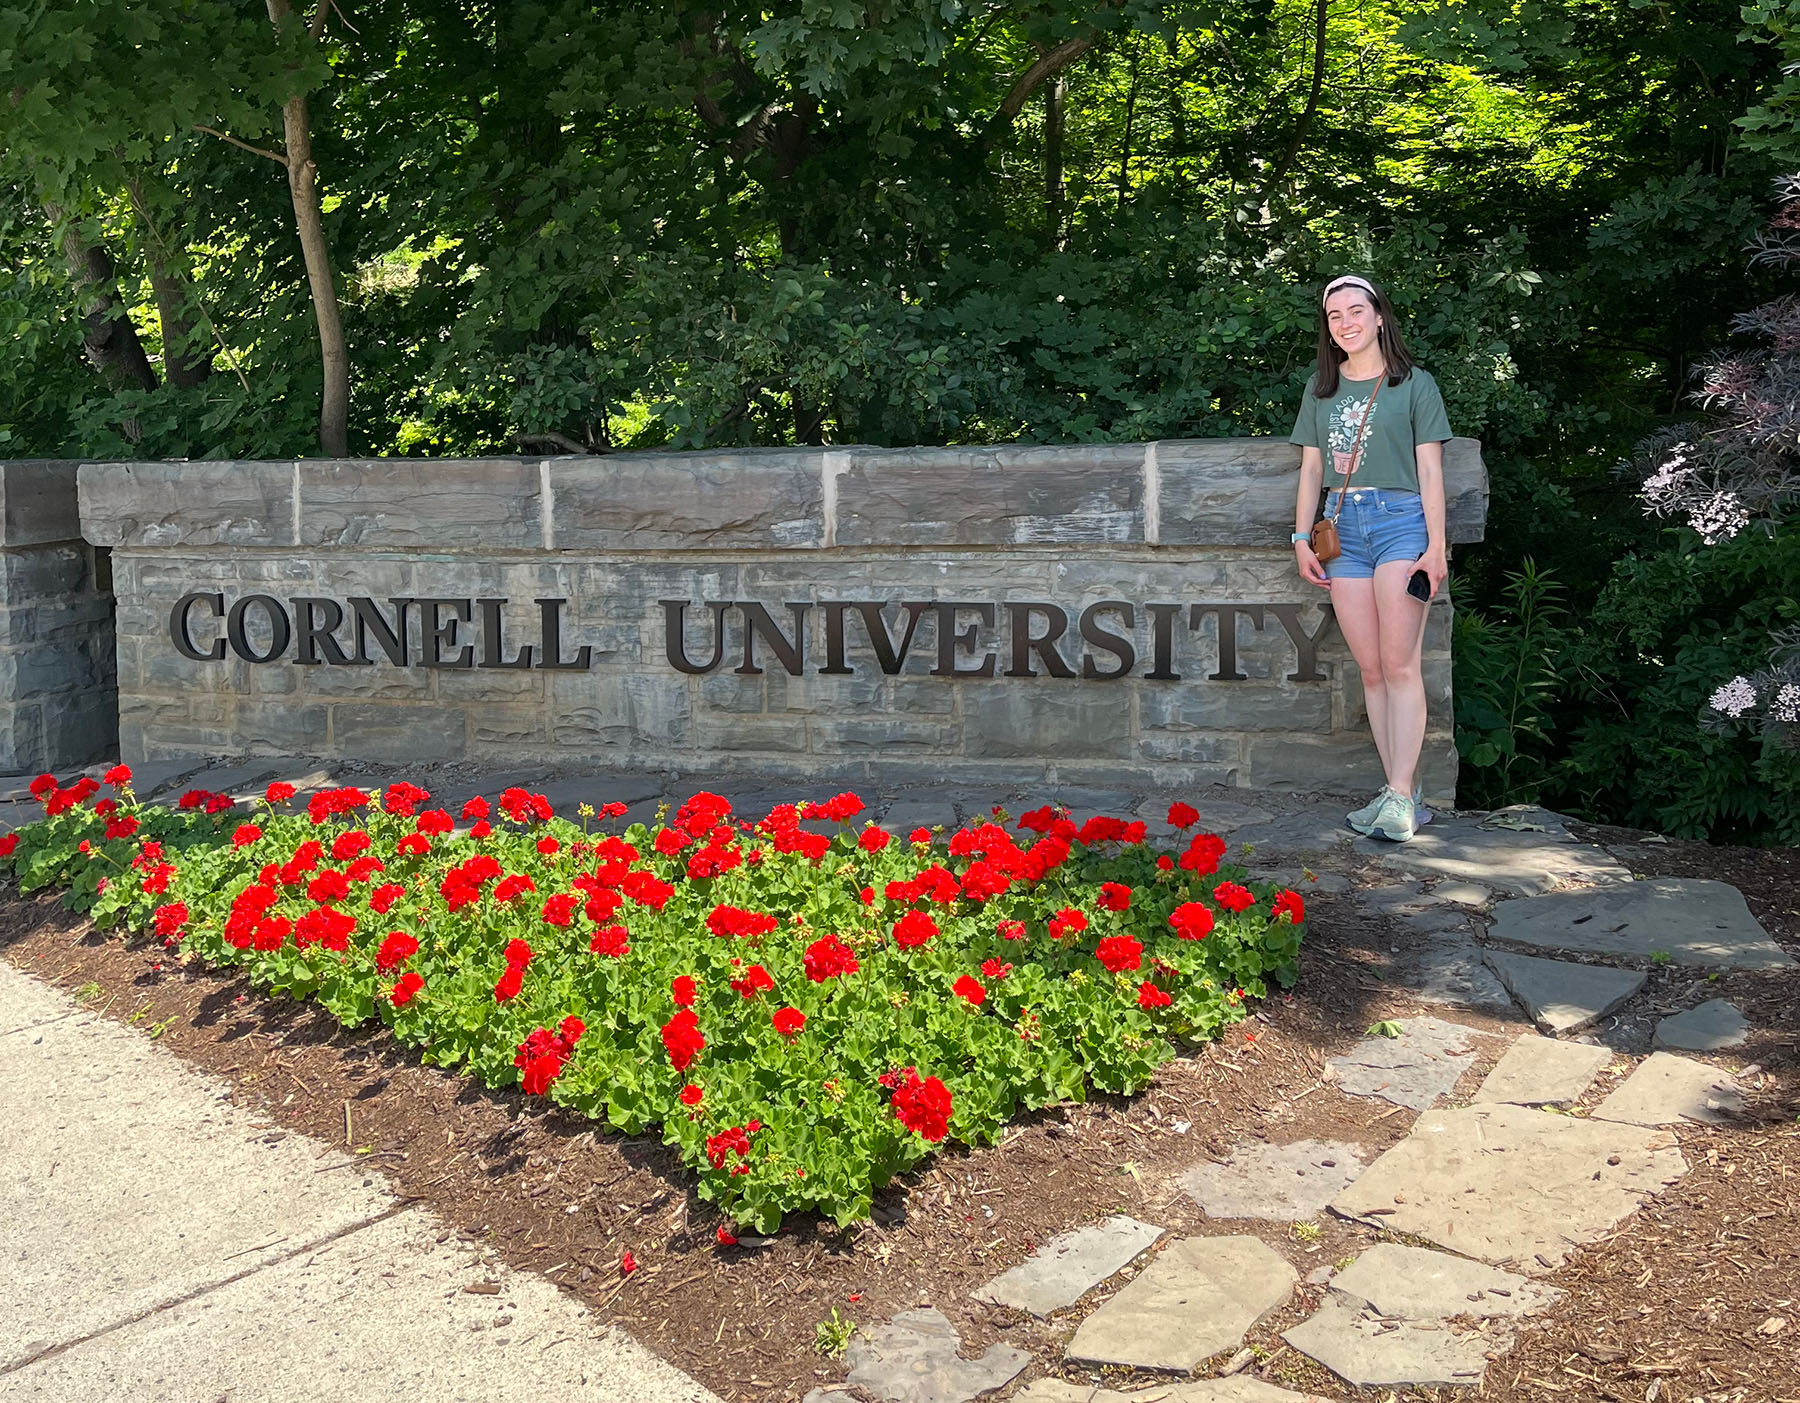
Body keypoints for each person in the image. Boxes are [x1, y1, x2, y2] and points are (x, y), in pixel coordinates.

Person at [1288, 274, 1453, 842]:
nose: (1346, 322)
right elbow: (1312, 469)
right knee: (1372, 668)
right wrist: (1300, 538)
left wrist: (1436, 546)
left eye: (1355, 311)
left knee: (1400, 662)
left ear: (1380, 316)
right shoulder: (1321, 387)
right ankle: (1395, 790)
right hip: (1343, 533)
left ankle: (1403, 796)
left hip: (1401, 524)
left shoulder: (1414, 384)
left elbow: (1431, 470)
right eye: (1335, 316)